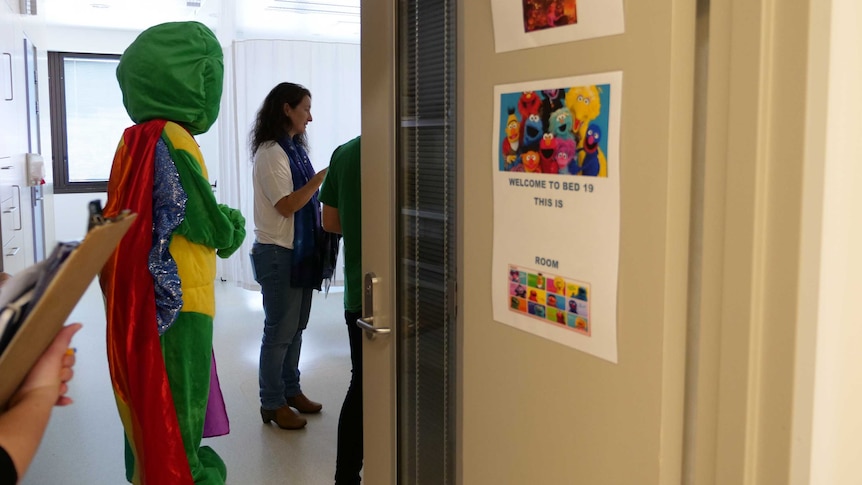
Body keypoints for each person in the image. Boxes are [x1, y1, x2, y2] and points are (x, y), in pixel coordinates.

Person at [100, 22, 246, 485]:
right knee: (180, 397)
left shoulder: (133, 138)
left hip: (143, 296)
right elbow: (208, 224)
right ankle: (184, 476)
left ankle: (144, 471)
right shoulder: (176, 139)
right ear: (195, 80)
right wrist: (234, 225)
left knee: (146, 394)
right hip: (183, 298)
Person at [250, 82, 328, 430]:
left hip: (297, 254)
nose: (310, 117)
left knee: (296, 329)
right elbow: (287, 206)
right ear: (286, 109)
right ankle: (272, 402)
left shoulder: (293, 150)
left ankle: (291, 390)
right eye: (305, 109)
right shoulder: (271, 153)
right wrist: (320, 179)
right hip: (278, 255)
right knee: (279, 331)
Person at [319, 135, 363, 484]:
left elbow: (330, 223)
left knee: (361, 383)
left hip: (362, 290)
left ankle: (345, 476)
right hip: (413, 293)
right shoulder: (415, 146)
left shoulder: (345, 153)